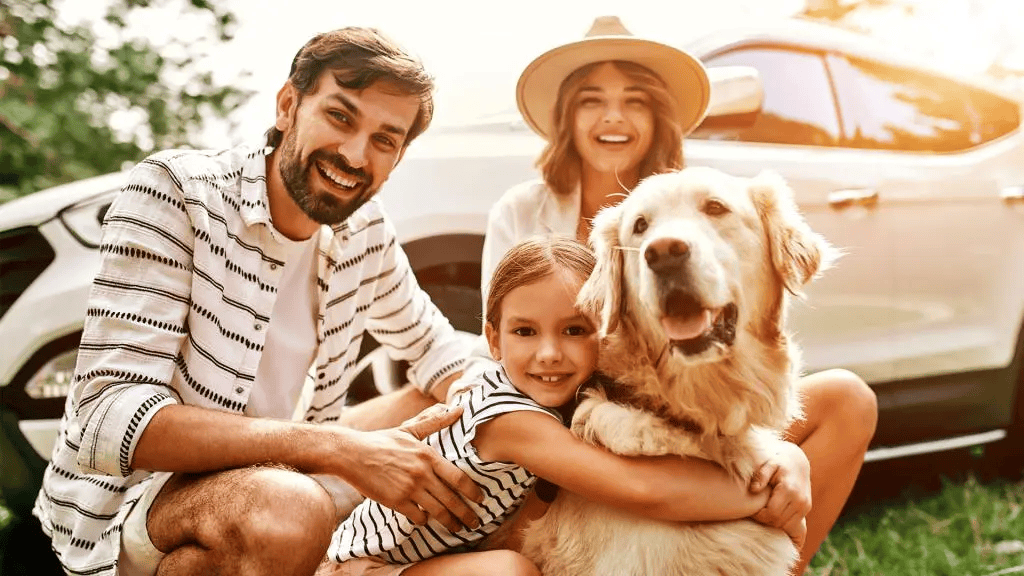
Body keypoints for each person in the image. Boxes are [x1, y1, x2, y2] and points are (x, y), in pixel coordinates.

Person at [33, 27, 489, 576]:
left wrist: (508, 417)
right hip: (140, 505)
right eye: (341, 117)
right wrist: (340, 449)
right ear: (288, 105)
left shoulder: (363, 231)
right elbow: (109, 420)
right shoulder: (177, 191)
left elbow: (437, 350)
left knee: (448, 410)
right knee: (288, 509)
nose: (353, 154)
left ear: (397, 158)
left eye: (384, 139)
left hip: (284, 471)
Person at [476, 15, 880, 575]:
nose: (613, 117)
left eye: (634, 101)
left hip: (695, 412)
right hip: (562, 432)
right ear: (567, 118)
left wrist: (783, 452)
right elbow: (503, 352)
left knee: (847, 396)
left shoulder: (703, 190)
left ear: (656, 115)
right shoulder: (524, 212)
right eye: (592, 100)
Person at [319, 236, 802, 576]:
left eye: (574, 330)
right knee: (510, 572)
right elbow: (640, 489)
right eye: (525, 332)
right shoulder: (506, 418)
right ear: (493, 340)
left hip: (434, 556)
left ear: (605, 330)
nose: (550, 353)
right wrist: (763, 497)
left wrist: (786, 457)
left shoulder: (570, 394)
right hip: (364, 568)